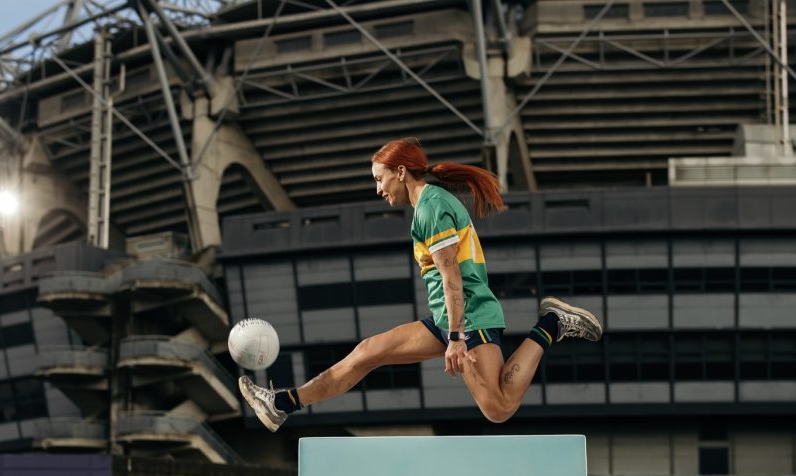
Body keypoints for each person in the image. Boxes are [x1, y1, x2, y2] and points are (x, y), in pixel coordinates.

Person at [239, 137, 602, 431]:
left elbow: (452, 277)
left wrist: (457, 337)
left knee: (498, 408)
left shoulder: (431, 208)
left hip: (468, 318)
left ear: (400, 172)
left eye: (379, 179)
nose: (378, 189)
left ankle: (551, 323)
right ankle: (282, 403)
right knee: (368, 352)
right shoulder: (426, 206)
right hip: (447, 319)